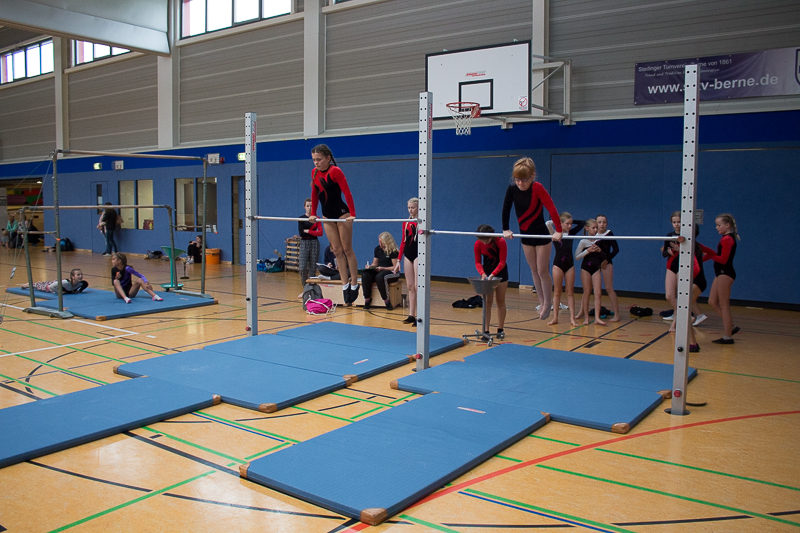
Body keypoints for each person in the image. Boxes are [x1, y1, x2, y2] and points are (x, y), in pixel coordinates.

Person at [501, 157, 562, 321]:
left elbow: (551, 208)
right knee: (533, 270)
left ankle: (548, 302)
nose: (520, 183)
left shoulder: (537, 188)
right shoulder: (512, 189)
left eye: (524, 180)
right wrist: (505, 229)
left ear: (532, 176)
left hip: (541, 235)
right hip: (526, 236)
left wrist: (558, 230)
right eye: (517, 179)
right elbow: (506, 209)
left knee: (542, 270)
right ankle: (541, 302)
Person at [308, 144, 359, 304]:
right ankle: (344, 284)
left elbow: (347, 192)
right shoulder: (314, 172)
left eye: (319, 159)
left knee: (347, 249)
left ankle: (354, 283)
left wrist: (352, 213)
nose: (316, 163)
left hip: (342, 214)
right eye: (314, 160)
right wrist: (313, 213)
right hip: (327, 216)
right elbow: (314, 194)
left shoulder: (336, 171)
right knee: (337, 251)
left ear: (328, 158)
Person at [699, 213, 740, 344]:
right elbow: (715, 254)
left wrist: (708, 254)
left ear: (727, 225)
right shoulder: (725, 239)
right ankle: (731, 326)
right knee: (712, 301)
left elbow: (723, 259)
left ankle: (728, 336)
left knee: (724, 305)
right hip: (720, 273)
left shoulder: (727, 239)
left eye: (718, 225)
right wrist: (701, 256)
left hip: (725, 274)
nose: (716, 227)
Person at [546, 212, 584, 326]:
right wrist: (557, 221)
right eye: (567, 224)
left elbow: (582, 223)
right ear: (561, 223)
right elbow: (548, 223)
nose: (570, 226)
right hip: (558, 265)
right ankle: (555, 318)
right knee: (557, 292)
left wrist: (571, 220)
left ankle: (572, 318)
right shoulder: (555, 233)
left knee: (570, 292)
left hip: (569, 265)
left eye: (571, 224)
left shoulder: (571, 233)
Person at [474, 224, 508, 339]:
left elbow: (502, 261)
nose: (484, 243)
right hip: (487, 273)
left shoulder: (500, 241)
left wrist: (494, 274)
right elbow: (478, 262)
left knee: (500, 301)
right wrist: (483, 273)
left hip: (501, 273)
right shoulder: (478, 243)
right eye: (482, 240)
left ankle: (500, 329)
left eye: (486, 240)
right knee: (487, 302)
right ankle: (486, 330)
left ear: (491, 236)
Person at [574, 219, 606, 326]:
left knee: (598, 293)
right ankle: (586, 317)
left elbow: (605, 257)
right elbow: (577, 257)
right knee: (586, 292)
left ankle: (597, 318)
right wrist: (588, 251)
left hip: (596, 269)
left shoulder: (600, 240)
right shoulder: (583, 241)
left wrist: (600, 251)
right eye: (593, 228)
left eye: (597, 228)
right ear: (587, 228)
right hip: (585, 269)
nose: (596, 230)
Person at [394, 197, 419, 326]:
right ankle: (411, 315)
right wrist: (398, 260)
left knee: (418, 287)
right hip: (408, 255)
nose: (410, 210)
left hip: (418, 255)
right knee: (410, 286)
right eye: (409, 207)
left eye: (413, 207)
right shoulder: (406, 222)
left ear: (419, 208)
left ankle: (420, 316)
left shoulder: (421, 222)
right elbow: (403, 241)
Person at [361, 231, 400, 310]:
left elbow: (396, 268)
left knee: (380, 277)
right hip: (380, 270)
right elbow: (375, 263)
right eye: (379, 241)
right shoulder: (378, 249)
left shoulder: (393, 251)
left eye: (381, 242)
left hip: (391, 272)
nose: (380, 243)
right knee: (365, 274)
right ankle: (367, 299)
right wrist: (370, 267)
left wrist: (383, 268)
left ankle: (386, 301)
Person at [595, 214, 620, 321]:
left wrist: (606, 260)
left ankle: (617, 315)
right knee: (594, 290)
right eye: (599, 222)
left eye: (604, 222)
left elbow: (616, 249)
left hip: (606, 264)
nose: (602, 224)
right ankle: (593, 313)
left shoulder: (609, 233)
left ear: (607, 223)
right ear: (596, 223)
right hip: (595, 264)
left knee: (609, 288)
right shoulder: (593, 234)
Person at [297, 198, 322, 285]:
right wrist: (313, 232)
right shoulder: (301, 218)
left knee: (313, 268)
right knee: (302, 267)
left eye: (311, 206)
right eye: (308, 206)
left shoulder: (317, 218)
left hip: (314, 243)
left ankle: (311, 287)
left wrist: (308, 231)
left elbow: (320, 233)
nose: (309, 208)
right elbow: (301, 233)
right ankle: (305, 287)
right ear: (304, 207)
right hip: (304, 243)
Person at [22, 268, 88, 294]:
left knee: (42, 283)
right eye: (78, 275)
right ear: (73, 277)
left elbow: (85, 284)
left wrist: (79, 291)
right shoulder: (66, 283)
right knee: (38, 286)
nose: (80, 276)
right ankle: (28, 285)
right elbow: (51, 287)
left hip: (56, 284)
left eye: (81, 274)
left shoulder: (80, 283)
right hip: (50, 287)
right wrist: (59, 292)